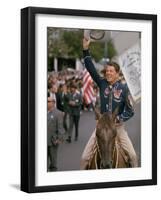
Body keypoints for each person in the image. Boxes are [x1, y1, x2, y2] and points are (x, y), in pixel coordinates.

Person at [80, 37, 138, 169]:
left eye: (111, 71)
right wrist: (85, 49)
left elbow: (130, 111)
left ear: (117, 73)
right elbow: (90, 68)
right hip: (101, 128)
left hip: (118, 128)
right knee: (84, 158)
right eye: (107, 71)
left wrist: (118, 118)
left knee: (133, 157)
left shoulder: (124, 89)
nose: (108, 73)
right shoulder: (102, 83)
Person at [47, 97, 65, 171]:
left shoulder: (58, 113)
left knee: (53, 163)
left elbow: (60, 127)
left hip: (52, 141)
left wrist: (59, 139)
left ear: (53, 103)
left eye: (48, 101)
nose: (46, 103)